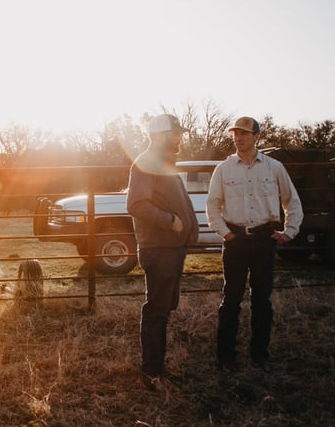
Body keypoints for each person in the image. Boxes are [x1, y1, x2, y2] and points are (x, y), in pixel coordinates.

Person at [206, 116, 303, 372]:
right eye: (235, 133)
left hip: (264, 240)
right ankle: (226, 356)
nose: (238, 137)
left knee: (262, 299)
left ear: (256, 137)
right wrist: (225, 233)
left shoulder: (273, 167)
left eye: (244, 133)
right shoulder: (224, 169)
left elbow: (291, 201)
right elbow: (213, 205)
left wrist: (288, 231)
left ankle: (260, 354)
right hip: (235, 240)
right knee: (231, 299)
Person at [127, 113, 199, 389]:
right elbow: (136, 204)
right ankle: (151, 372)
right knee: (156, 309)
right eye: (176, 133)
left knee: (163, 308)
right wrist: (170, 221)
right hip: (160, 247)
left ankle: (157, 368)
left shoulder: (162, 164)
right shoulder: (146, 163)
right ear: (160, 136)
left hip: (171, 246)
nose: (180, 137)